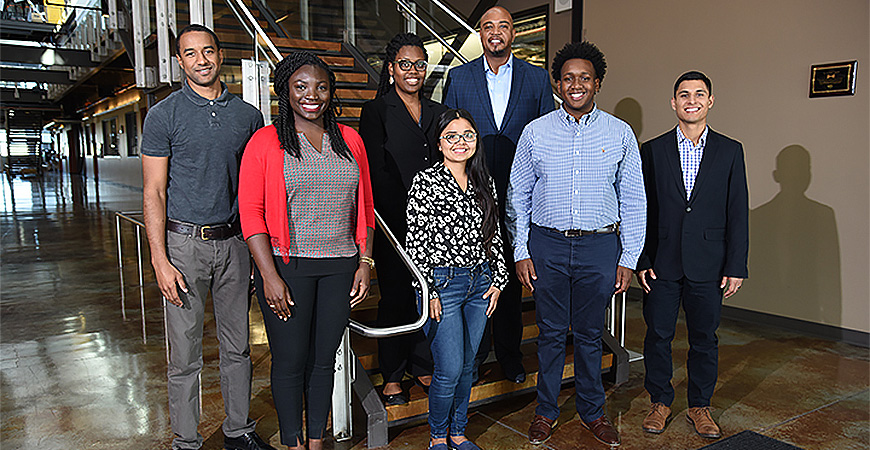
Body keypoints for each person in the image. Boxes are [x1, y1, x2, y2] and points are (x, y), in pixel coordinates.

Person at [507, 41, 646, 447]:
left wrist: (628, 257)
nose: (576, 84)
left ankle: (592, 411)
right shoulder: (536, 132)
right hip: (546, 244)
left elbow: (634, 199)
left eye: (584, 78)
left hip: (599, 247)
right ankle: (545, 411)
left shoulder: (619, 133)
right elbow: (518, 195)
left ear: (597, 83)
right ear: (558, 83)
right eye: (568, 78)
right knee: (550, 334)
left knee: (589, 334)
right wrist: (521, 250)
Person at [141, 24, 273, 450]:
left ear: (220, 56)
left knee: (238, 348)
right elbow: (154, 191)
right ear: (180, 62)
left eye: (208, 51)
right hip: (183, 247)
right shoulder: (164, 114)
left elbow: (257, 189)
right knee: (184, 354)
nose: (201, 60)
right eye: (191, 53)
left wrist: (259, 254)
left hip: (235, 244)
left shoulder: (248, 115)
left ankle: (238, 431)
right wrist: (161, 260)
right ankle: (186, 440)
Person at [238, 51, 375, 450]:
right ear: (285, 91)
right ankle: (294, 443)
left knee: (323, 359)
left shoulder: (350, 140)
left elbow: (364, 206)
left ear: (331, 92)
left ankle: (316, 441)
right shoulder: (265, 141)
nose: (311, 95)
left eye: (320, 86)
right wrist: (269, 275)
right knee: (290, 360)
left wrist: (364, 260)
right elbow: (252, 213)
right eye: (300, 86)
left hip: (340, 266)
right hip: (287, 266)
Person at [442, 5, 554, 384]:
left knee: (508, 276)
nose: (495, 32)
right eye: (488, 26)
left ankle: (509, 355)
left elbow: (547, 140)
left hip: (521, 197)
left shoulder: (537, 79)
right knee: (473, 277)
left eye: (503, 26)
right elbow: (448, 133)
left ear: (513, 33)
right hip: (469, 196)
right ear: (479, 33)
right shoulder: (459, 77)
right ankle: (471, 360)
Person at [636, 71, 748, 439]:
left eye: (699, 94)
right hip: (662, 261)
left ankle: (700, 405)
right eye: (684, 95)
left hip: (710, 263)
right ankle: (660, 402)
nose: (691, 100)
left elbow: (737, 210)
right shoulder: (652, 150)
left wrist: (736, 265)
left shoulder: (730, 150)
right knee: (658, 336)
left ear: (710, 101)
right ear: (673, 103)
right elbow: (642, 208)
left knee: (705, 338)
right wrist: (641, 259)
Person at [406, 109, 508, 450]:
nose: (460, 142)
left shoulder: (484, 180)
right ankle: (437, 436)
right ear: (439, 142)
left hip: (480, 283)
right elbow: (415, 243)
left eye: (467, 135)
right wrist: (428, 289)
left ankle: (458, 431)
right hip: (442, 286)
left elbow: (494, 234)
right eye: (452, 136)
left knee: (468, 367)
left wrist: (499, 279)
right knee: (448, 368)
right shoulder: (425, 181)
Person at [359, 32, 446, 405]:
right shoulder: (376, 111)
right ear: (391, 68)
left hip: (437, 221)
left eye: (419, 64)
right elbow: (374, 170)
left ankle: (421, 362)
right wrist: (398, 215)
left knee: (430, 294)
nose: (413, 71)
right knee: (395, 296)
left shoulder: (439, 110)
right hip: (395, 220)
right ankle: (393, 372)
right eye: (405, 64)